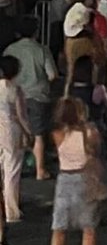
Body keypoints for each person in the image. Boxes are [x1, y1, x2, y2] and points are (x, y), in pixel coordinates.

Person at [46, 97, 103, 245]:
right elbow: (96, 150)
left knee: (59, 227)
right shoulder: (89, 132)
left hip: (64, 180)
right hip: (84, 178)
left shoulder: (58, 134)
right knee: (88, 227)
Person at [3, 17, 56, 181]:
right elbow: (52, 74)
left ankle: (16, 165)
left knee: (15, 132)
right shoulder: (41, 49)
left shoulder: (10, 50)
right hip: (38, 95)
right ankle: (40, 170)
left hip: (13, 95)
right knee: (38, 133)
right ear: (36, 31)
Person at [0, 56, 34, 224]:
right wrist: (29, 133)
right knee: (12, 170)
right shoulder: (15, 89)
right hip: (11, 130)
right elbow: (21, 116)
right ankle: (11, 210)